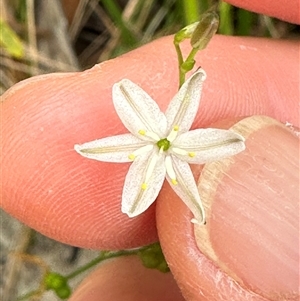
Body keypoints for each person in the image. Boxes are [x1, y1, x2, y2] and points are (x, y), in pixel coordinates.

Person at [1, 1, 298, 300]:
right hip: (163, 143)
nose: (164, 145)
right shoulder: (150, 117)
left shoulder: (191, 114)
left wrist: (197, 207)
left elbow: (208, 112)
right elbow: (122, 106)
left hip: (180, 144)